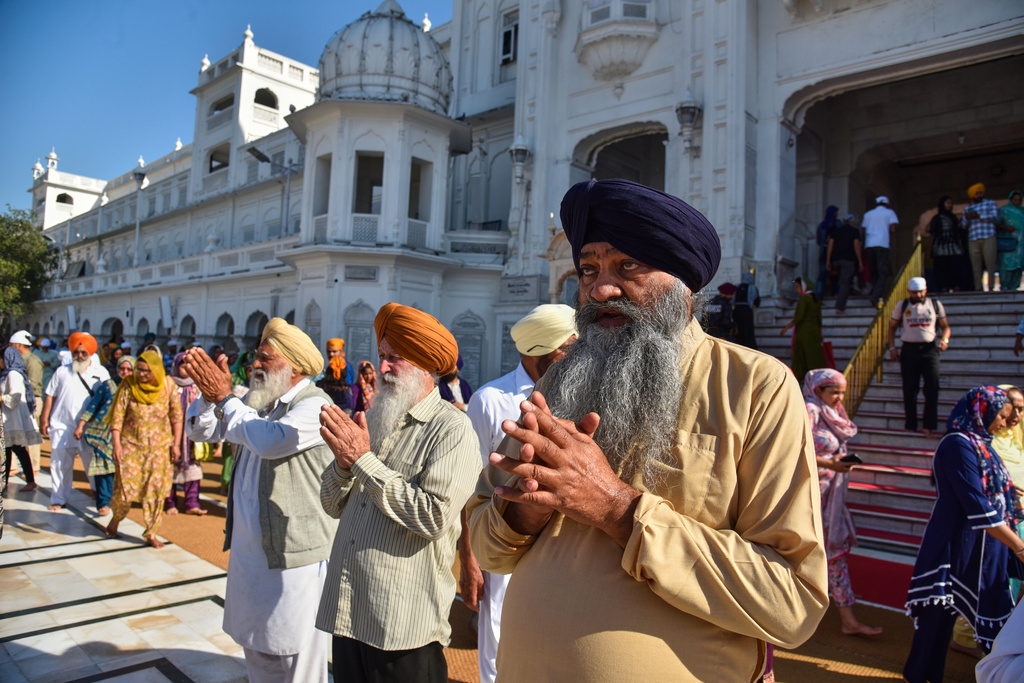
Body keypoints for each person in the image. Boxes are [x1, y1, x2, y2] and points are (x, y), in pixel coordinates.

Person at [467, 179, 828, 681]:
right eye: (588, 269)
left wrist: (617, 507)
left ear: (684, 283)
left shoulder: (755, 387)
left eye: (628, 265)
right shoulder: (561, 378)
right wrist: (525, 506)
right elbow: (488, 547)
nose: (601, 289)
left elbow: (792, 602)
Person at [316, 303, 481, 683]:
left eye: (395, 359)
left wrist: (362, 461)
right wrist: (343, 463)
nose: (383, 368)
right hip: (350, 611)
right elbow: (331, 503)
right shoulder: (376, 418)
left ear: (426, 366)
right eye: (382, 357)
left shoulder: (451, 431)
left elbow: (434, 517)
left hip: (401, 626)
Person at [184, 318, 335, 683]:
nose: (255, 365)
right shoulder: (258, 401)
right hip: (251, 554)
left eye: (265, 359)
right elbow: (199, 429)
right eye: (256, 357)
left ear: (294, 367)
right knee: (259, 654)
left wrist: (224, 399)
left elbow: (270, 440)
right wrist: (209, 398)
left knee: (299, 664)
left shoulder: (315, 407)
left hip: (294, 559)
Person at [462, 303, 577, 683]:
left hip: (567, 545)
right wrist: (470, 557)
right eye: (568, 349)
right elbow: (470, 486)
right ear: (539, 352)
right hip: (504, 544)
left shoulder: (583, 392)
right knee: (499, 646)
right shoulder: (491, 400)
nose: (577, 357)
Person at [903, 386, 1024, 682]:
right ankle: (919, 676)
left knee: (996, 615)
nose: (1002, 423)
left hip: (987, 545)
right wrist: (1020, 548)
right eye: (1000, 415)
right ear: (980, 411)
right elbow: (975, 502)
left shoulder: (983, 444)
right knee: (936, 620)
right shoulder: (957, 444)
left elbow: (994, 492)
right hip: (955, 542)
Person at [803, 368, 882, 637]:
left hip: (830, 499)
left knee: (834, 553)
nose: (839, 398)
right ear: (817, 390)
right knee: (815, 552)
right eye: (833, 391)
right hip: (808, 498)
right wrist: (829, 463)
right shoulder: (810, 410)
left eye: (842, 393)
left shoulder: (832, 413)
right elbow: (792, 450)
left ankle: (847, 619)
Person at [103, 350, 181, 548]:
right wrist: (117, 444)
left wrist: (176, 443)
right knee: (125, 487)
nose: (141, 374)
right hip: (131, 447)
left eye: (146, 371)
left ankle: (151, 532)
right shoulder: (129, 385)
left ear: (155, 369)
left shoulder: (167, 385)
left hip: (159, 449)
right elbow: (117, 417)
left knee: (155, 491)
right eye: (139, 369)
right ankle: (116, 518)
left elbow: (176, 416)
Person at [40, 332, 111, 511]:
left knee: (92, 464)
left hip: (91, 427)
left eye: (83, 353)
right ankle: (58, 499)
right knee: (59, 464)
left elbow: (109, 397)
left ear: (90, 353)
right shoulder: (61, 371)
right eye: (76, 352)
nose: (79, 356)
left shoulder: (100, 372)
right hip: (61, 425)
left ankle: (98, 496)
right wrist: (44, 418)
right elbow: (50, 395)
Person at [887, 276, 950, 437]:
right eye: (914, 293)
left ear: (926, 290)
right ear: (909, 292)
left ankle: (929, 425)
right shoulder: (903, 305)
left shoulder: (935, 305)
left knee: (932, 387)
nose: (918, 295)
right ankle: (911, 423)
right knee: (909, 388)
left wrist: (945, 339)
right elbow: (892, 327)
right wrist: (892, 347)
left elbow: (945, 326)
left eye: (920, 292)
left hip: (929, 349)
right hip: (909, 349)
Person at [73, 356, 135, 516]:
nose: (125, 372)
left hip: (126, 435)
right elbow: (93, 404)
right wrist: (81, 425)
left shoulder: (137, 388)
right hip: (103, 434)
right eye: (122, 368)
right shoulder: (108, 385)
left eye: (129, 369)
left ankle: (118, 499)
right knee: (103, 469)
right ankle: (103, 502)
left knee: (121, 469)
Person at [165, 353, 206, 516]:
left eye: (190, 367)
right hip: (171, 433)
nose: (187, 370)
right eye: (183, 366)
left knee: (193, 469)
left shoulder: (196, 386)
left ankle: (191, 502)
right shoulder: (168, 384)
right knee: (170, 468)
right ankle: (169, 502)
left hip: (191, 436)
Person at [1, 347, 42, 494]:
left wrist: (0, 398)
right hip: (9, 419)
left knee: (11, 451)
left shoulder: (13, 374)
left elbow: (15, 397)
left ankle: (26, 481)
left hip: (13, 419)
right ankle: (20, 482)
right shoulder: (8, 374)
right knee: (11, 450)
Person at [11, 331, 43, 479]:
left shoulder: (33, 361)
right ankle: (13, 467)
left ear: (18, 345)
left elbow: (33, 384)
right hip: (17, 400)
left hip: (31, 400)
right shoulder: (15, 360)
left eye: (12, 346)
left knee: (31, 435)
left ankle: (34, 467)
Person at [780, 277, 825, 381]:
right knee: (814, 355)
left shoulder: (804, 299)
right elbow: (819, 319)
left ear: (803, 287)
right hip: (814, 332)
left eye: (797, 287)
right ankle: (816, 377)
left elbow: (798, 317)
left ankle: (800, 377)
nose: (797, 290)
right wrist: (820, 333)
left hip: (804, 332)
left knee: (800, 356)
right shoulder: (816, 300)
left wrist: (786, 328)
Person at [962, 183, 1001, 292]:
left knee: (990, 263)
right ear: (972, 195)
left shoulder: (990, 203)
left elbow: (995, 217)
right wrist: (967, 218)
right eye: (977, 193)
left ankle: (991, 287)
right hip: (973, 238)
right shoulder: (968, 208)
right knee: (976, 266)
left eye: (980, 193)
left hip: (988, 236)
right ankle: (978, 288)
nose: (979, 195)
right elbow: (964, 225)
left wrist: (979, 216)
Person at [929, 195, 969, 293]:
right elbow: (932, 231)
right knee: (942, 268)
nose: (949, 205)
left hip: (953, 246)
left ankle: (955, 286)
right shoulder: (937, 218)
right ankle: (943, 287)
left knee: (955, 267)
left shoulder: (953, 217)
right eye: (947, 203)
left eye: (951, 203)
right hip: (940, 247)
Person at [862, 196, 899, 302]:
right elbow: (893, 229)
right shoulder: (889, 212)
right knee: (882, 271)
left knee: (873, 271)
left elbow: (864, 230)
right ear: (886, 204)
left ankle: (876, 292)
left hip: (869, 245)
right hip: (882, 244)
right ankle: (877, 295)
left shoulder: (867, 214)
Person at [827, 213, 864, 313]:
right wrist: (860, 262)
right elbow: (856, 245)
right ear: (852, 222)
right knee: (845, 283)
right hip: (848, 260)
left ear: (843, 222)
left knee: (840, 279)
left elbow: (830, 244)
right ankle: (839, 307)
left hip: (836, 260)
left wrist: (828, 260)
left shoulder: (836, 231)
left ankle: (836, 295)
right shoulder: (854, 231)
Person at [998, 190, 1024, 292]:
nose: (1017, 202)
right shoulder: (1004, 210)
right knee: (1007, 266)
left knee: (1018, 267)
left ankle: (1014, 288)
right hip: (1008, 244)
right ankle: (1004, 287)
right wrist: (1005, 227)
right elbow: (997, 224)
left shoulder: (1022, 211)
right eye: (1015, 200)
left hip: (1021, 245)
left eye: (1019, 200)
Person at [815, 205, 840, 298]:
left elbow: (818, 241)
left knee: (822, 274)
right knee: (837, 273)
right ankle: (836, 293)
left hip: (823, 252)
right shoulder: (837, 224)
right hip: (835, 252)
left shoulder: (821, 226)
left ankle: (819, 295)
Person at [733, 270, 761, 349]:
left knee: (738, 332)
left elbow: (732, 299)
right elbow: (756, 302)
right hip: (746, 311)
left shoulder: (737, 287)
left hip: (736, 311)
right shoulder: (752, 287)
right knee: (747, 332)